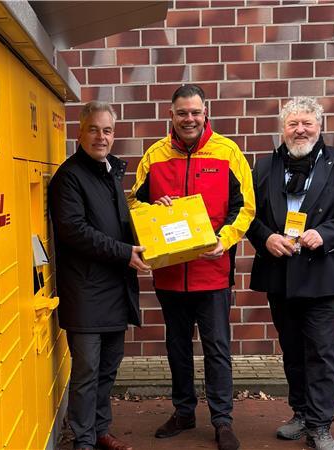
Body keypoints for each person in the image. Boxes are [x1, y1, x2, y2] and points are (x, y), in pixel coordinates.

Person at [127, 84, 255, 450]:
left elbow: (245, 207)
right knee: (177, 347)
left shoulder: (228, 152)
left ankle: (222, 420)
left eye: (195, 112)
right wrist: (154, 206)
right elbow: (134, 203)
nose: (189, 119)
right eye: (182, 113)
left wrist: (224, 240)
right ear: (171, 115)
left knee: (217, 349)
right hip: (170, 274)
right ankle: (184, 411)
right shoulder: (154, 156)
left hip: (212, 273)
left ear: (205, 113)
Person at [246, 96, 334, 450]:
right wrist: (266, 238)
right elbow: (248, 215)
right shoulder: (264, 166)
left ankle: (320, 424)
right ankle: (300, 413)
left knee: (322, 351)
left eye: (307, 123)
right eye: (292, 124)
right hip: (280, 273)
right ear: (282, 129)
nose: (300, 130)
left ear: (319, 126)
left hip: (326, 274)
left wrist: (325, 233)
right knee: (292, 349)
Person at [48, 101, 151, 450]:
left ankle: (101, 429)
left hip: (113, 290)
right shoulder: (69, 177)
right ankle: (84, 439)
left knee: (108, 368)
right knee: (86, 372)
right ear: (79, 132)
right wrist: (125, 253)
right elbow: (75, 231)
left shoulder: (109, 172)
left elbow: (119, 225)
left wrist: (154, 217)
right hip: (85, 291)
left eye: (107, 130)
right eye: (94, 129)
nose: (101, 137)